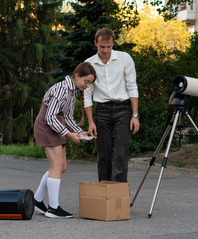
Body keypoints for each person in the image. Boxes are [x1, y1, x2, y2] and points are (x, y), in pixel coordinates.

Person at [33, 62, 96, 218]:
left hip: (56, 126)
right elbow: (49, 117)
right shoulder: (61, 89)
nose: (87, 86)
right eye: (86, 81)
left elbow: (67, 117)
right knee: (57, 166)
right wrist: (68, 134)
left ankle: (36, 200)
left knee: (62, 166)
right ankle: (53, 208)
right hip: (47, 126)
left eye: (90, 83)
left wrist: (80, 132)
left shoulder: (72, 91)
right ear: (76, 76)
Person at [84, 28, 140, 183]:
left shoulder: (125, 58)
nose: (105, 50)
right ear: (95, 43)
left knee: (121, 153)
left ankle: (118, 195)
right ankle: (104, 193)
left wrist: (135, 115)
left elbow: (132, 87)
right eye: (102, 47)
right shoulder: (89, 63)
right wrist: (90, 122)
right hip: (102, 111)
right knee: (103, 154)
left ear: (113, 43)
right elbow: (87, 94)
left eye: (109, 47)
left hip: (123, 109)